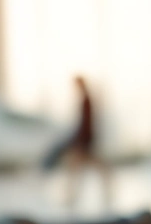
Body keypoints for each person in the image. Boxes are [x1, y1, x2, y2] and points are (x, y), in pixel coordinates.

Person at [44, 76, 111, 208]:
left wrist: (80, 140)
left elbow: (85, 124)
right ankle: (72, 195)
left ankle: (72, 195)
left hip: (84, 140)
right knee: (79, 167)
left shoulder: (86, 100)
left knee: (79, 167)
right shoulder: (86, 99)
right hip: (84, 139)